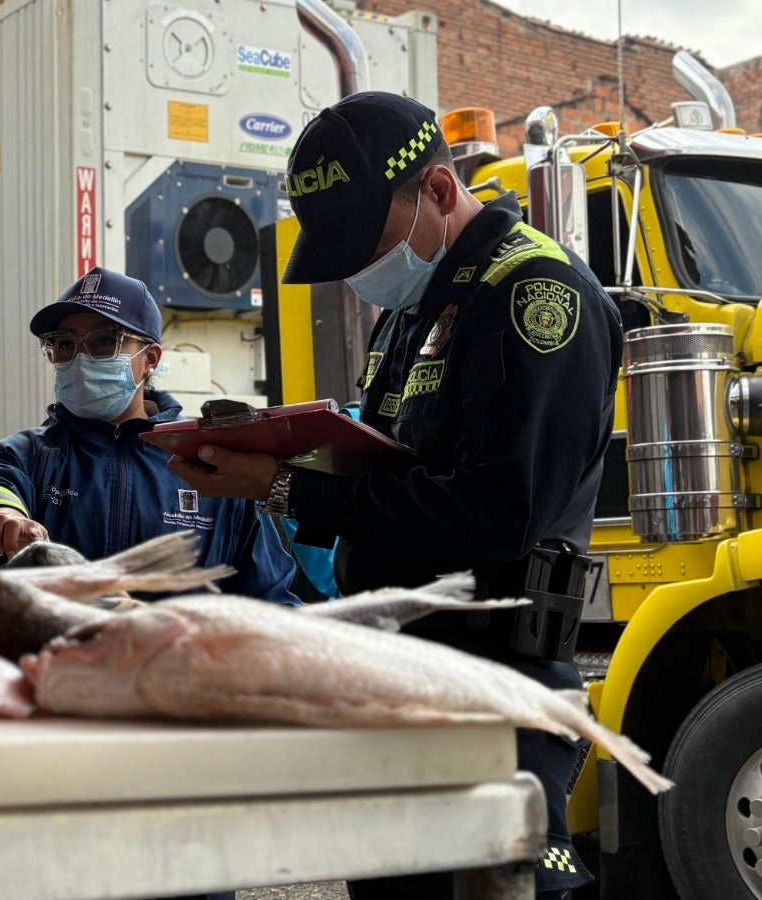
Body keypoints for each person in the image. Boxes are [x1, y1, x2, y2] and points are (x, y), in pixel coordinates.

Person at [167, 92, 622, 900]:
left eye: (364, 246)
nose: (357, 274)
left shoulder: (533, 297)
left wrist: (281, 486)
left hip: (491, 683)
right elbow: (387, 466)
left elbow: (498, 514)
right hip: (400, 672)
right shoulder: (412, 312)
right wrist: (278, 446)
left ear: (440, 192)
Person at [0, 266, 300, 604]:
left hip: (183, 667)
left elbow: (270, 601)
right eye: (65, 345)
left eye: (103, 342)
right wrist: (2, 513)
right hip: (52, 665)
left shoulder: (213, 461)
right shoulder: (28, 453)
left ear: (151, 359)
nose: (80, 359)